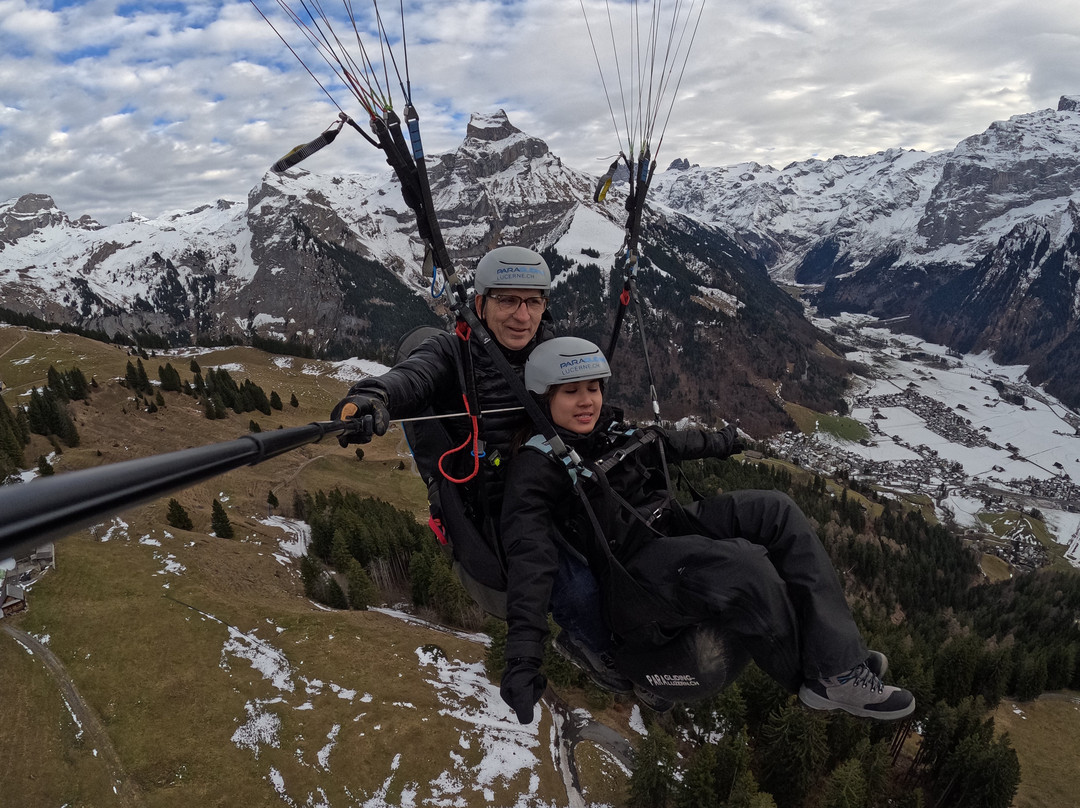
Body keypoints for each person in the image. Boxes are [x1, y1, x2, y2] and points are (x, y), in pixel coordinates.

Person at [498, 336, 916, 724]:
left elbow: (667, 443)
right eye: (571, 392)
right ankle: (829, 680)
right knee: (743, 567)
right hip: (631, 571)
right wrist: (522, 659)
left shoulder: (605, 429)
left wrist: (721, 441)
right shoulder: (535, 469)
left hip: (668, 525)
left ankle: (839, 658)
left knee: (776, 510)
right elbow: (529, 560)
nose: (587, 401)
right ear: (542, 398)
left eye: (593, 388)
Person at [330, 246, 629, 692]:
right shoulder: (453, 354)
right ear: (481, 302)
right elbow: (415, 376)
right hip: (497, 508)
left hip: (555, 481)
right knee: (576, 588)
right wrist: (374, 396)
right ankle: (606, 658)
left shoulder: (549, 351)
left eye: (532, 302)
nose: (521, 315)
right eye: (507, 300)